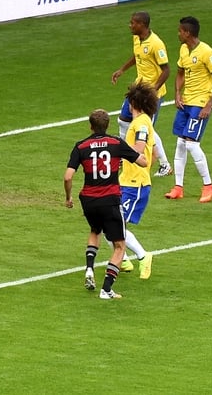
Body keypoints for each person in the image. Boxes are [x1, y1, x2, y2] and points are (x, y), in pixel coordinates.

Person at [64, 108, 148, 300]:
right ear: (107, 125)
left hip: (88, 200)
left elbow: (68, 176)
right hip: (110, 199)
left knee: (95, 230)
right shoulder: (116, 143)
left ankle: (89, 269)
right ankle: (107, 289)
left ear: (91, 126)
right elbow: (142, 162)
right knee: (119, 246)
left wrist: (68, 198)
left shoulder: (81, 146)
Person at [164, 16, 212, 202]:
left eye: (180, 31)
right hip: (186, 102)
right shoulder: (184, 49)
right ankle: (178, 187)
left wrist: (209, 104)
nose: (178, 34)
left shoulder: (206, 52)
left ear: (187, 33)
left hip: (200, 103)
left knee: (191, 144)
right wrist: (177, 93)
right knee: (180, 143)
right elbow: (180, 72)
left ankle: (208, 186)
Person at [111, 11, 173, 177]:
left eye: (133, 23)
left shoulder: (156, 44)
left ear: (142, 25)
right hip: (138, 89)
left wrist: (153, 90)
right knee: (123, 120)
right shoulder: (137, 38)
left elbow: (166, 70)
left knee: (147, 129)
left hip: (152, 94)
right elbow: (137, 55)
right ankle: (125, 156)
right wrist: (122, 69)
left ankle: (165, 165)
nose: (130, 25)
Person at [115, 82, 159, 279]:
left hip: (135, 185)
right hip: (127, 181)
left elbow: (140, 147)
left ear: (133, 103)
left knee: (115, 224)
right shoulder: (145, 122)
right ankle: (123, 259)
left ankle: (143, 256)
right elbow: (154, 153)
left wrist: (118, 150)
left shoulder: (141, 123)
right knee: (109, 222)